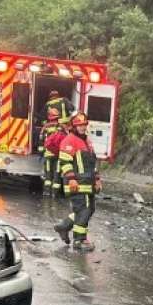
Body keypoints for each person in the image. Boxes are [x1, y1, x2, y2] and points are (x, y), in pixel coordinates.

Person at [54, 112, 101, 251]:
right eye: (79, 125)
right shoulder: (69, 140)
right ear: (73, 127)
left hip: (87, 183)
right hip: (77, 183)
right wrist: (71, 179)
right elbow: (65, 161)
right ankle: (79, 241)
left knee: (89, 209)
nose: (82, 127)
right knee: (84, 210)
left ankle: (64, 226)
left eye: (84, 125)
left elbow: (93, 163)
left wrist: (97, 179)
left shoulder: (87, 141)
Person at [38, 107, 66, 196]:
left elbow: (41, 139)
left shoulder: (45, 127)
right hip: (59, 155)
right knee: (57, 174)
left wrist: (41, 152)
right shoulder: (62, 127)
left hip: (48, 154)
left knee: (48, 175)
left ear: (49, 117)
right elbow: (67, 140)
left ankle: (46, 192)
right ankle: (55, 193)